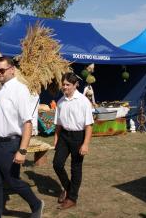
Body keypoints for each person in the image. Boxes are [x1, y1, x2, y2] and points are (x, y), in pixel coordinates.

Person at [0, 56, 44, 218]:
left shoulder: (19, 90)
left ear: (12, 70)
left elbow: (27, 122)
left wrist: (23, 150)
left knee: (12, 180)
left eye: (2, 70)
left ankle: (36, 204)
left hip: (10, 144)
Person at [53, 72, 94, 210]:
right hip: (64, 136)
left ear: (75, 85)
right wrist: (56, 139)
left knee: (75, 168)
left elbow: (89, 125)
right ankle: (68, 189)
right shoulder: (60, 102)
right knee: (57, 164)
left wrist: (86, 144)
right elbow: (58, 124)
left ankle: (72, 199)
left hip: (78, 136)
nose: (64, 87)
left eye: (68, 85)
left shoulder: (84, 102)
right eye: (63, 84)